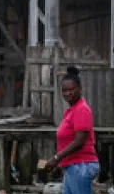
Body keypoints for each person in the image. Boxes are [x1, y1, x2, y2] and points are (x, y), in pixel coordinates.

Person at [42, 66, 100, 194]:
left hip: (81, 165)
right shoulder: (71, 110)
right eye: (64, 90)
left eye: (71, 90)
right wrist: (59, 161)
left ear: (79, 88)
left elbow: (80, 141)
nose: (67, 93)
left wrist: (56, 158)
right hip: (72, 166)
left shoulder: (81, 109)